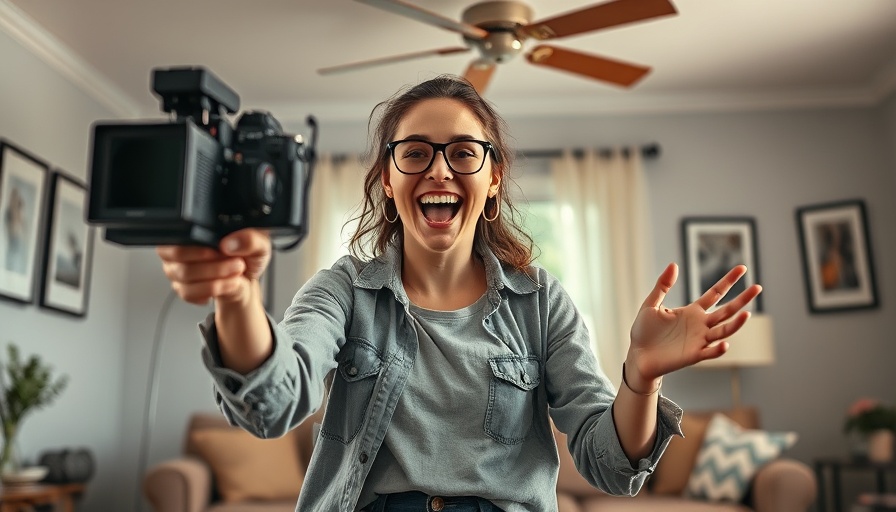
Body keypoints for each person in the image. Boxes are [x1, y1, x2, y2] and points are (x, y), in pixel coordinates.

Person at [156, 74, 761, 512]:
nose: (439, 171)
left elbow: (609, 466)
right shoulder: (342, 289)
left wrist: (643, 375)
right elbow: (273, 405)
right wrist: (236, 293)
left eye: (462, 154)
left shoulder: (542, 303)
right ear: (388, 183)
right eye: (414, 153)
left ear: (493, 179)